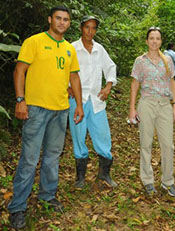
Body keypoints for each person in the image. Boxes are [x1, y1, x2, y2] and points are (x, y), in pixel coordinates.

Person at [8, 6, 84, 229]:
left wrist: (78, 105)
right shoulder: (35, 41)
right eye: (58, 18)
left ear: (69, 23)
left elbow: (74, 78)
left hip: (60, 110)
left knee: (53, 155)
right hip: (36, 109)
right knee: (29, 159)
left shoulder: (70, 49)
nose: (62, 22)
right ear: (50, 19)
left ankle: (47, 195)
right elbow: (20, 70)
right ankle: (18, 207)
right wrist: (20, 100)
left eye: (66, 20)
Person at [129, 27, 175, 197]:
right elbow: (135, 84)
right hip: (147, 104)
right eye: (151, 38)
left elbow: (172, 82)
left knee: (168, 145)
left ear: (161, 41)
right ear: (147, 41)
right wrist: (132, 108)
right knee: (146, 143)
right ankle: (147, 180)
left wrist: (174, 104)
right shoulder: (140, 61)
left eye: (158, 38)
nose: (154, 41)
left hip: (165, 104)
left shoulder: (168, 60)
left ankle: (167, 181)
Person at [69, 15, 118, 188]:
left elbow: (110, 67)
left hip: (96, 100)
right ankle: (80, 177)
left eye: (93, 28)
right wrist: (67, 87)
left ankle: (104, 174)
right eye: (87, 27)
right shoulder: (72, 48)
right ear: (81, 28)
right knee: (78, 135)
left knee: (102, 134)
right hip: (77, 99)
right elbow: (64, 71)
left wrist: (108, 86)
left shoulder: (99, 49)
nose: (90, 31)